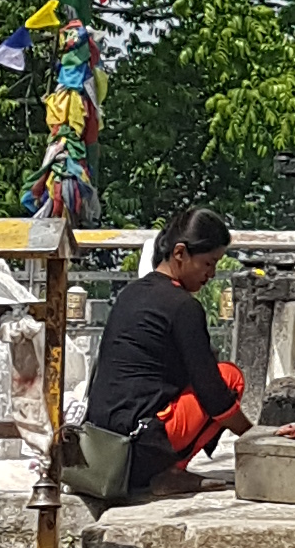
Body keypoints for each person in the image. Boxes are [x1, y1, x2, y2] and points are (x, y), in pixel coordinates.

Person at [81, 208, 245, 500]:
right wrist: (255, 435)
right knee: (229, 377)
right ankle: (170, 473)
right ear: (180, 253)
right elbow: (214, 393)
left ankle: (164, 468)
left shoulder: (130, 293)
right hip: (139, 448)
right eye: (208, 263)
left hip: (102, 446)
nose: (212, 274)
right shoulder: (183, 306)